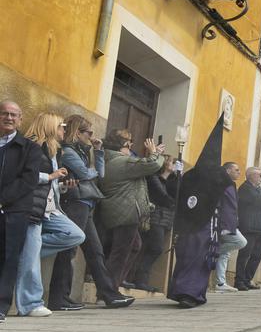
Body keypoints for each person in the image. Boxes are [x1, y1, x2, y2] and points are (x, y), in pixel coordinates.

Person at [53, 116, 133, 308]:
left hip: (86, 203)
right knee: (69, 250)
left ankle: (109, 294)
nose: (91, 136)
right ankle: (58, 297)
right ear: (76, 132)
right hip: (75, 202)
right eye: (88, 132)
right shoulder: (69, 151)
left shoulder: (82, 151)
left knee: (95, 252)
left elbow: (100, 174)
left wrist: (98, 151)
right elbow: (86, 174)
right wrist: (93, 167)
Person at [17, 113, 86, 317]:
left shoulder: (54, 150)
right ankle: (30, 304)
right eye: (61, 126)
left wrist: (61, 186)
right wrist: (50, 176)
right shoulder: (32, 147)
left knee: (75, 234)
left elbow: (49, 184)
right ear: (50, 126)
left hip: (49, 208)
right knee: (30, 254)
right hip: (33, 207)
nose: (64, 130)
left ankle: (23, 253)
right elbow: (20, 174)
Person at [168, 117, 235, 308]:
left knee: (195, 258)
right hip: (195, 224)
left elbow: (227, 200)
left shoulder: (200, 175)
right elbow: (176, 192)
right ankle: (186, 292)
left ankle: (189, 293)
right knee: (190, 258)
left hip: (203, 225)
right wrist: (175, 174)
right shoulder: (195, 175)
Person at [98, 130, 165, 289]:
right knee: (120, 253)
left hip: (124, 210)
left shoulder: (115, 160)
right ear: (121, 146)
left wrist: (154, 154)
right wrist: (154, 153)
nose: (131, 147)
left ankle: (114, 283)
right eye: (129, 144)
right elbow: (151, 165)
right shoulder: (121, 162)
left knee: (134, 246)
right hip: (125, 211)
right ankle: (109, 288)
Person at [0, 101, 42, 323]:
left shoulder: (30, 148)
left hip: (14, 212)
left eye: (13, 115)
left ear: (20, 120)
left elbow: (28, 180)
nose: (9, 118)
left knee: (8, 258)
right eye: (5, 113)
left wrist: (2, 200)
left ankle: (1, 306)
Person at [132, 155, 179, 292]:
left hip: (166, 218)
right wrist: (166, 173)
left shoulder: (173, 180)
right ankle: (139, 279)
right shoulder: (155, 177)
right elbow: (161, 194)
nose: (175, 165)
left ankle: (141, 280)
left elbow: (176, 195)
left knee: (150, 247)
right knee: (155, 248)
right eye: (173, 162)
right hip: (155, 216)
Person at [235, 166, 261, 290]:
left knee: (256, 255)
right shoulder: (245, 188)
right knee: (245, 255)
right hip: (249, 227)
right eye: (259, 175)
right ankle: (239, 281)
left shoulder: (258, 189)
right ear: (251, 175)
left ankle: (247, 279)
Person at [213, 161, 247, 292]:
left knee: (225, 254)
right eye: (236, 170)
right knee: (241, 242)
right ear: (228, 171)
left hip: (231, 222)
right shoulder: (223, 183)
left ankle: (220, 284)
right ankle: (213, 252)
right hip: (225, 222)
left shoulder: (231, 184)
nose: (239, 172)